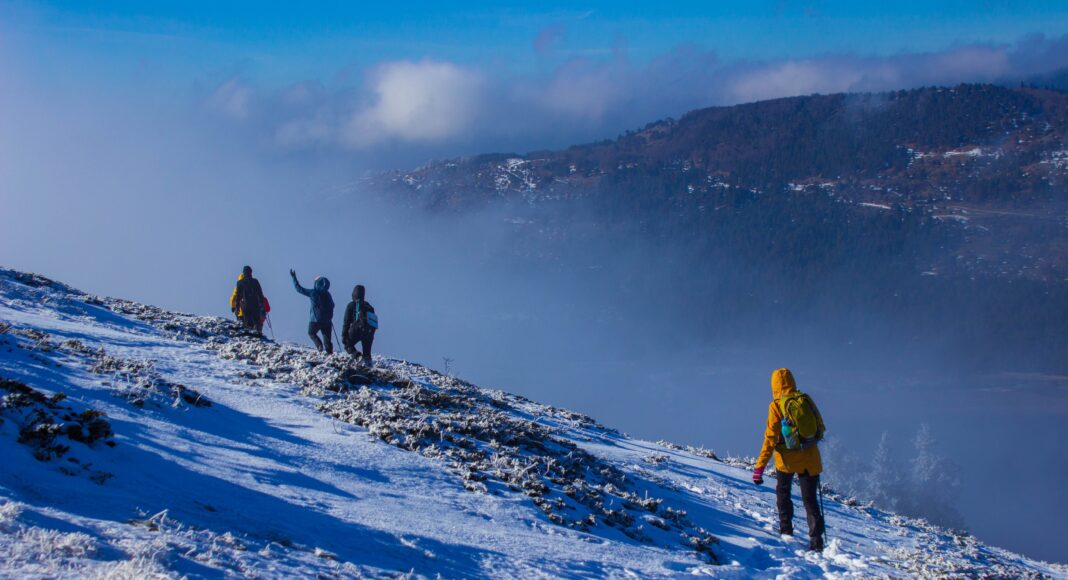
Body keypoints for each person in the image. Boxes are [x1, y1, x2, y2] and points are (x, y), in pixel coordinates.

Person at [752, 368, 827, 552]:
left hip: (786, 461)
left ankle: (786, 530)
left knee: (783, 493)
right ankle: (816, 541)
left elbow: (770, 438)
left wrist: (759, 468)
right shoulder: (805, 399)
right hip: (810, 458)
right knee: (810, 500)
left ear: (774, 385)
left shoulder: (776, 406)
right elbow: (821, 427)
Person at [290, 269, 334, 354]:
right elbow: (333, 305)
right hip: (327, 320)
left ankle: (319, 346)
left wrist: (294, 277)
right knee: (327, 338)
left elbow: (299, 289)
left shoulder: (313, 292)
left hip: (315, 320)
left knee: (311, 333)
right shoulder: (328, 294)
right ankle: (330, 353)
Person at [342, 284, 376, 365]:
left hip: (356, 329)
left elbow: (346, 322)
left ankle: (357, 356)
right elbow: (374, 323)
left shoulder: (351, 305)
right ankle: (368, 364)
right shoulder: (369, 306)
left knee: (347, 344)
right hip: (368, 331)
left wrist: (344, 335)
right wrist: (371, 334)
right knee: (367, 352)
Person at [230, 265, 269, 335]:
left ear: (243, 272)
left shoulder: (240, 283)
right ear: (251, 272)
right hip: (256, 306)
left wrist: (237, 307)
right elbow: (260, 294)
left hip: (245, 306)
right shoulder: (255, 281)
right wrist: (262, 306)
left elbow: (238, 297)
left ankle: (249, 337)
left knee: (247, 324)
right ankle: (258, 337)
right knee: (256, 323)